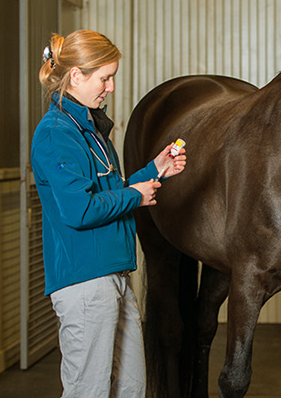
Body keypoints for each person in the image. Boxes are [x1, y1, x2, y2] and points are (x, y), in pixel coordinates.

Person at [31, 30, 187, 397]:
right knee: (90, 390)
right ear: (76, 76)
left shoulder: (90, 128)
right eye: (105, 77)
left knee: (130, 387)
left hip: (113, 273)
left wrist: (153, 171)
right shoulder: (57, 133)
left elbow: (107, 191)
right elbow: (80, 209)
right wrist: (135, 195)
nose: (111, 87)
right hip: (85, 281)